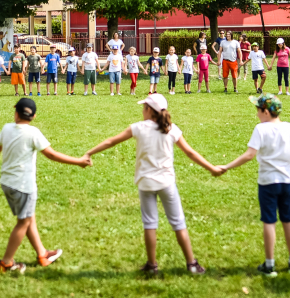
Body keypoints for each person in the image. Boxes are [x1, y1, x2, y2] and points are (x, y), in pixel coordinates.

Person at [84, 94, 216, 276]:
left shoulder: (139, 128)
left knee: (150, 223)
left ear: (148, 110)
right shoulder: (171, 129)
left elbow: (111, 141)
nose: (142, 110)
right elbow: (190, 153)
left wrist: (89, 153)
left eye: (143, 107)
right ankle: (192, 264)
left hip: (145, 182)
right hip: (166, 182)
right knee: (178, 223)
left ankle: (152, 265)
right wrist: (211, 168)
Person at [215, 95, 290, 277]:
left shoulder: (260, 129)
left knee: (269, 221)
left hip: (267, 183)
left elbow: (249, 155)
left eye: (258, 111)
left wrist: (226, 167)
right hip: (287, 182)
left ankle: (269, 265)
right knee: (289, 220)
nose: (256, 114)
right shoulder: (289, 128)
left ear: (266, 112)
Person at [0, 98, 89, 272]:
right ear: (34, 116)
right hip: (23, 186)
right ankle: (6, 262)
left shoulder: (6, 128)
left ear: (16, 113)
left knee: (28, 218)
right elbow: (51, 155)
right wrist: (78, 161)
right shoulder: (33, 133)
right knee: (23, 222)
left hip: (7, 183)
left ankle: (42, 254)